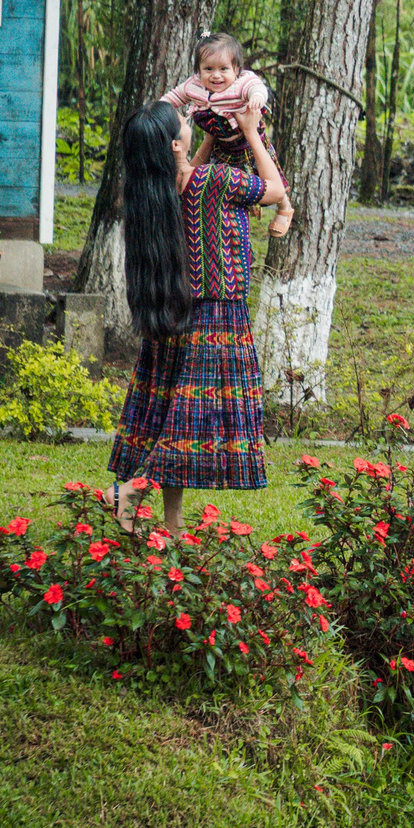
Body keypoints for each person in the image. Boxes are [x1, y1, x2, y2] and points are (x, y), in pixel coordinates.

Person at [108, 100, 289, 533]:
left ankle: (171, 527)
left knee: (172, 416)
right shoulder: (214, 180)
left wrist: (205, 140)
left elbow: (187, 174)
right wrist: (248, 132)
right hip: (217, 317)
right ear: (174, 144)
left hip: (174, 312)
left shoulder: (151, 189)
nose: (191, 121)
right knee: (190, 426)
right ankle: (129, 489)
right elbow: (275, 190)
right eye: (185, 123)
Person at [160, 32, 294, 238]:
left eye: (224, 69)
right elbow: (174, 96)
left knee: (268, 173)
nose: (216, 75)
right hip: (221, 143)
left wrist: (257, 98)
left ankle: (284, 206)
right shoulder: (194, 86)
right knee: (226, 183)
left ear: (237, 70)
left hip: (248, 140)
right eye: (208, 69)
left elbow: (257, 87)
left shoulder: (242, 83)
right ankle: (238, 218)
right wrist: (159, 108)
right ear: (198, 72)